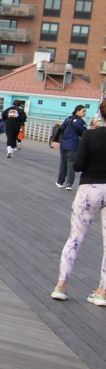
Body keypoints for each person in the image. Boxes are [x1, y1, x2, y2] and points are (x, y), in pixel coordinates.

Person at [51, 99, 106, 306]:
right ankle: (102, 292)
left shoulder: (91, 135)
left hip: (89, 189)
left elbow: (78, 165)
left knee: (75, 238)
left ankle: (61, 286)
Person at [55, 105, 88, 191]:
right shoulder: (80, 122)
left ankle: (60, 182)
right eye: (83, 111)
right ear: (77, 111)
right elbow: (85, 134)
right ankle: (69, 184)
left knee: (63, 163)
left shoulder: (68, 119)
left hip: (64, 144)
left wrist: (55, 140)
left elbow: (60, 130)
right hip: (73, 145)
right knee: (71, 164)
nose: (85, 113)